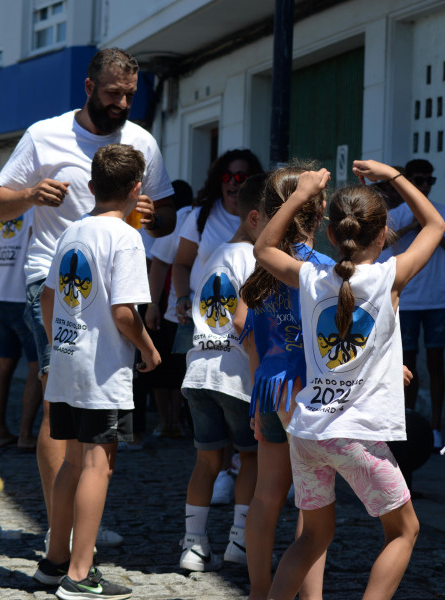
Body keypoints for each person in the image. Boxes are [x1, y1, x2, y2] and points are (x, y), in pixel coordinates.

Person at [0, 47, 175, 548]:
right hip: (53, 277)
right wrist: (29, 196)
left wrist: (153, 212)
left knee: (94, 402)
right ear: (89, 88)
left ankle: (75, 523)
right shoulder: (44, 135)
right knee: (57, 395)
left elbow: (171, 216)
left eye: (130, 94)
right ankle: (60, 528)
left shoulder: (141, 141)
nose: (122, 103)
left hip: (117, 280)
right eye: (113, 93)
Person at [255, 159, 444, 600]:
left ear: (333, 235)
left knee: (312, 537)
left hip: (307, 433)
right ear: (382, 234)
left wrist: (301, 194)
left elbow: (263, 249)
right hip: (358, 438)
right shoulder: (389, 278)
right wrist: (394, 177)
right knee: (404, 531)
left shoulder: (310, 277)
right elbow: (433, 223)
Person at [36, 143, 160, 599]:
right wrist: (149, 350)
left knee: (71, 462)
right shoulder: (126, 237)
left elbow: (48, 297)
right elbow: (124, 311)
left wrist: (59, 342)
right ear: (136, 189)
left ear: (91, 187)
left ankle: (54, 561)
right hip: (103, 371)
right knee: (97, 465)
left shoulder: (73, 231)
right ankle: (81, 573)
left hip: (68, 364)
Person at [238, 164, 333, 600]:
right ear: (322, 212)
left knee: (265, 497)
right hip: (309, 394)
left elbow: (249, 338)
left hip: (270, 389)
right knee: (313, 506)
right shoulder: (325, 270)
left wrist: (258, 400)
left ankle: (259, 591)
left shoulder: (260, 272)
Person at [179, 174, 265, 573]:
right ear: (255, 219)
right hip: (235, 374)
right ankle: (241, 543)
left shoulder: (217, 253)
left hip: (198, 370)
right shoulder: (254, 258)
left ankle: (193, 546)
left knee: (207, 461)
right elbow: (244, 321)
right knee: (251, 459)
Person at [387, 158, 445, 449]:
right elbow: (382, 246)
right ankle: (405, 422)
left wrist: (435, 227)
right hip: (405, 300)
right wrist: (412, 226)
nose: (424, 187)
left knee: (436, 363)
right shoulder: (395, 214)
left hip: (436, 300)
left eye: (428, 181)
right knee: (406, 365)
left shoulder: (442, 213)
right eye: (418, 181)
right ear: (407, 181)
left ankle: (434, 427)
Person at [0, 209, 41, 451]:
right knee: (37, 366)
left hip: (0, 294)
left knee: (4, 363)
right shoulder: (35, 207)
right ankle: (25, 435)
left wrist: (4, 259)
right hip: (24, 296)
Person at [144, 180, 195, 439]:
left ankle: (170, 422)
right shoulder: (195, 216)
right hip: (185, 309)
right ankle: (179, 422)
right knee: (179, 372)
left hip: (176, 310)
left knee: (169, 372)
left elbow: (158, 263)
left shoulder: (181, 220)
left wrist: (153, 304)